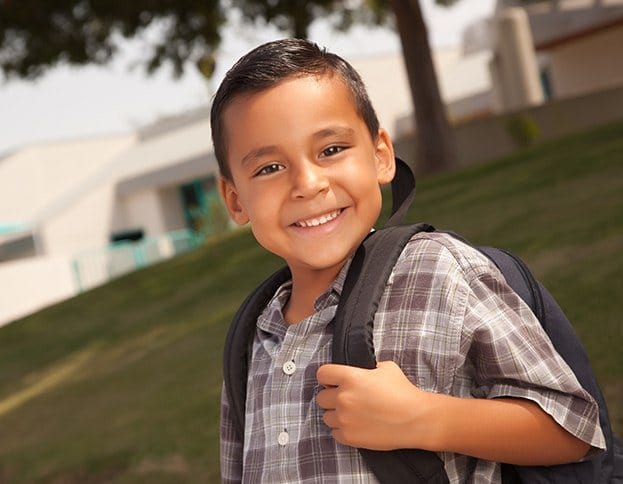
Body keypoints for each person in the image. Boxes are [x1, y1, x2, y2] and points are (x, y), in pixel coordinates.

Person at [212, 38, 605, 483]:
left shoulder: (439, 269)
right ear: (235, 200)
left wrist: (422, 417)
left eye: (331, 150)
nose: (307, 184)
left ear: (381, 156)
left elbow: (573, 428)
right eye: (269, 168)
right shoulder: (252, 333)